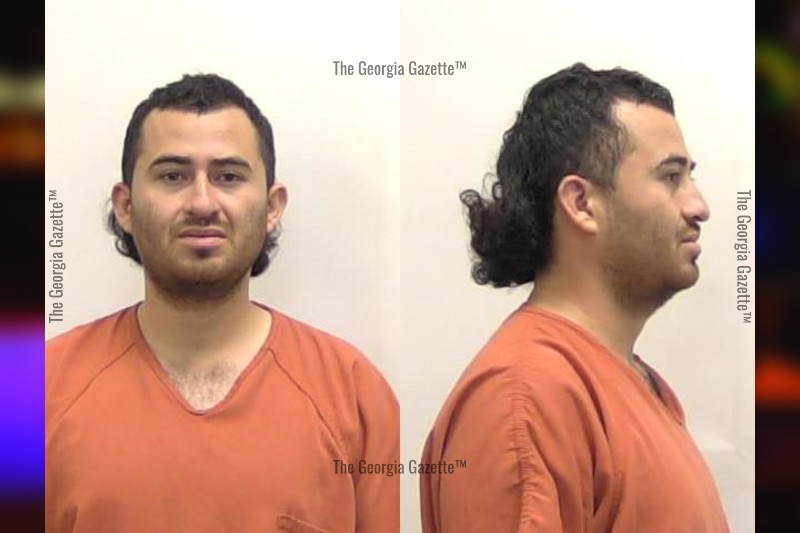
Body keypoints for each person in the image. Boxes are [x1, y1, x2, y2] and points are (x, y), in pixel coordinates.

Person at [45, 74, 399, 533]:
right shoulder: (31, 394)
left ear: (272, 207)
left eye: (228, 176)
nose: (202, 202)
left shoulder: (355, 395)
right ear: (126, 206)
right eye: (173, 176)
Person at [420, 63, 729, 532]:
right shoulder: (527, 398)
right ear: (581, 204)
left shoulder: (630, 383)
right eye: (670, 177)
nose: (698, 206)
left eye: (690, 177)